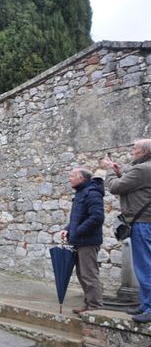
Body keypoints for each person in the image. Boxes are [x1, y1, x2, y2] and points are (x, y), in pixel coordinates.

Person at [104, 138, 151, 323]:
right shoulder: (144, 168)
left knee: (145, 266)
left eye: (135, 148)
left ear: (145, 152)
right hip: (146, 222)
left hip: (143, 224)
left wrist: (109, 171)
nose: (132, 151)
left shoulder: (141, 169)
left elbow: (116, 187)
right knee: (145, 265)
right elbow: (134, 181)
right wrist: (119, 171)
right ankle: (145, 304)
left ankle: (149, 308)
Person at [59, 168, 105, 315]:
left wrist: (77, 231)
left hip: (88, 241)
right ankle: (88, 303)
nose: (70, 179)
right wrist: (68, 228)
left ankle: (95, 307)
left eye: (72, 176)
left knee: (89, 274)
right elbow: (77, 217)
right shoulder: (81, 193)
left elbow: (97, 218)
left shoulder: (92, 194)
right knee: (82, 274)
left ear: (82, 178)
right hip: (80, 240)